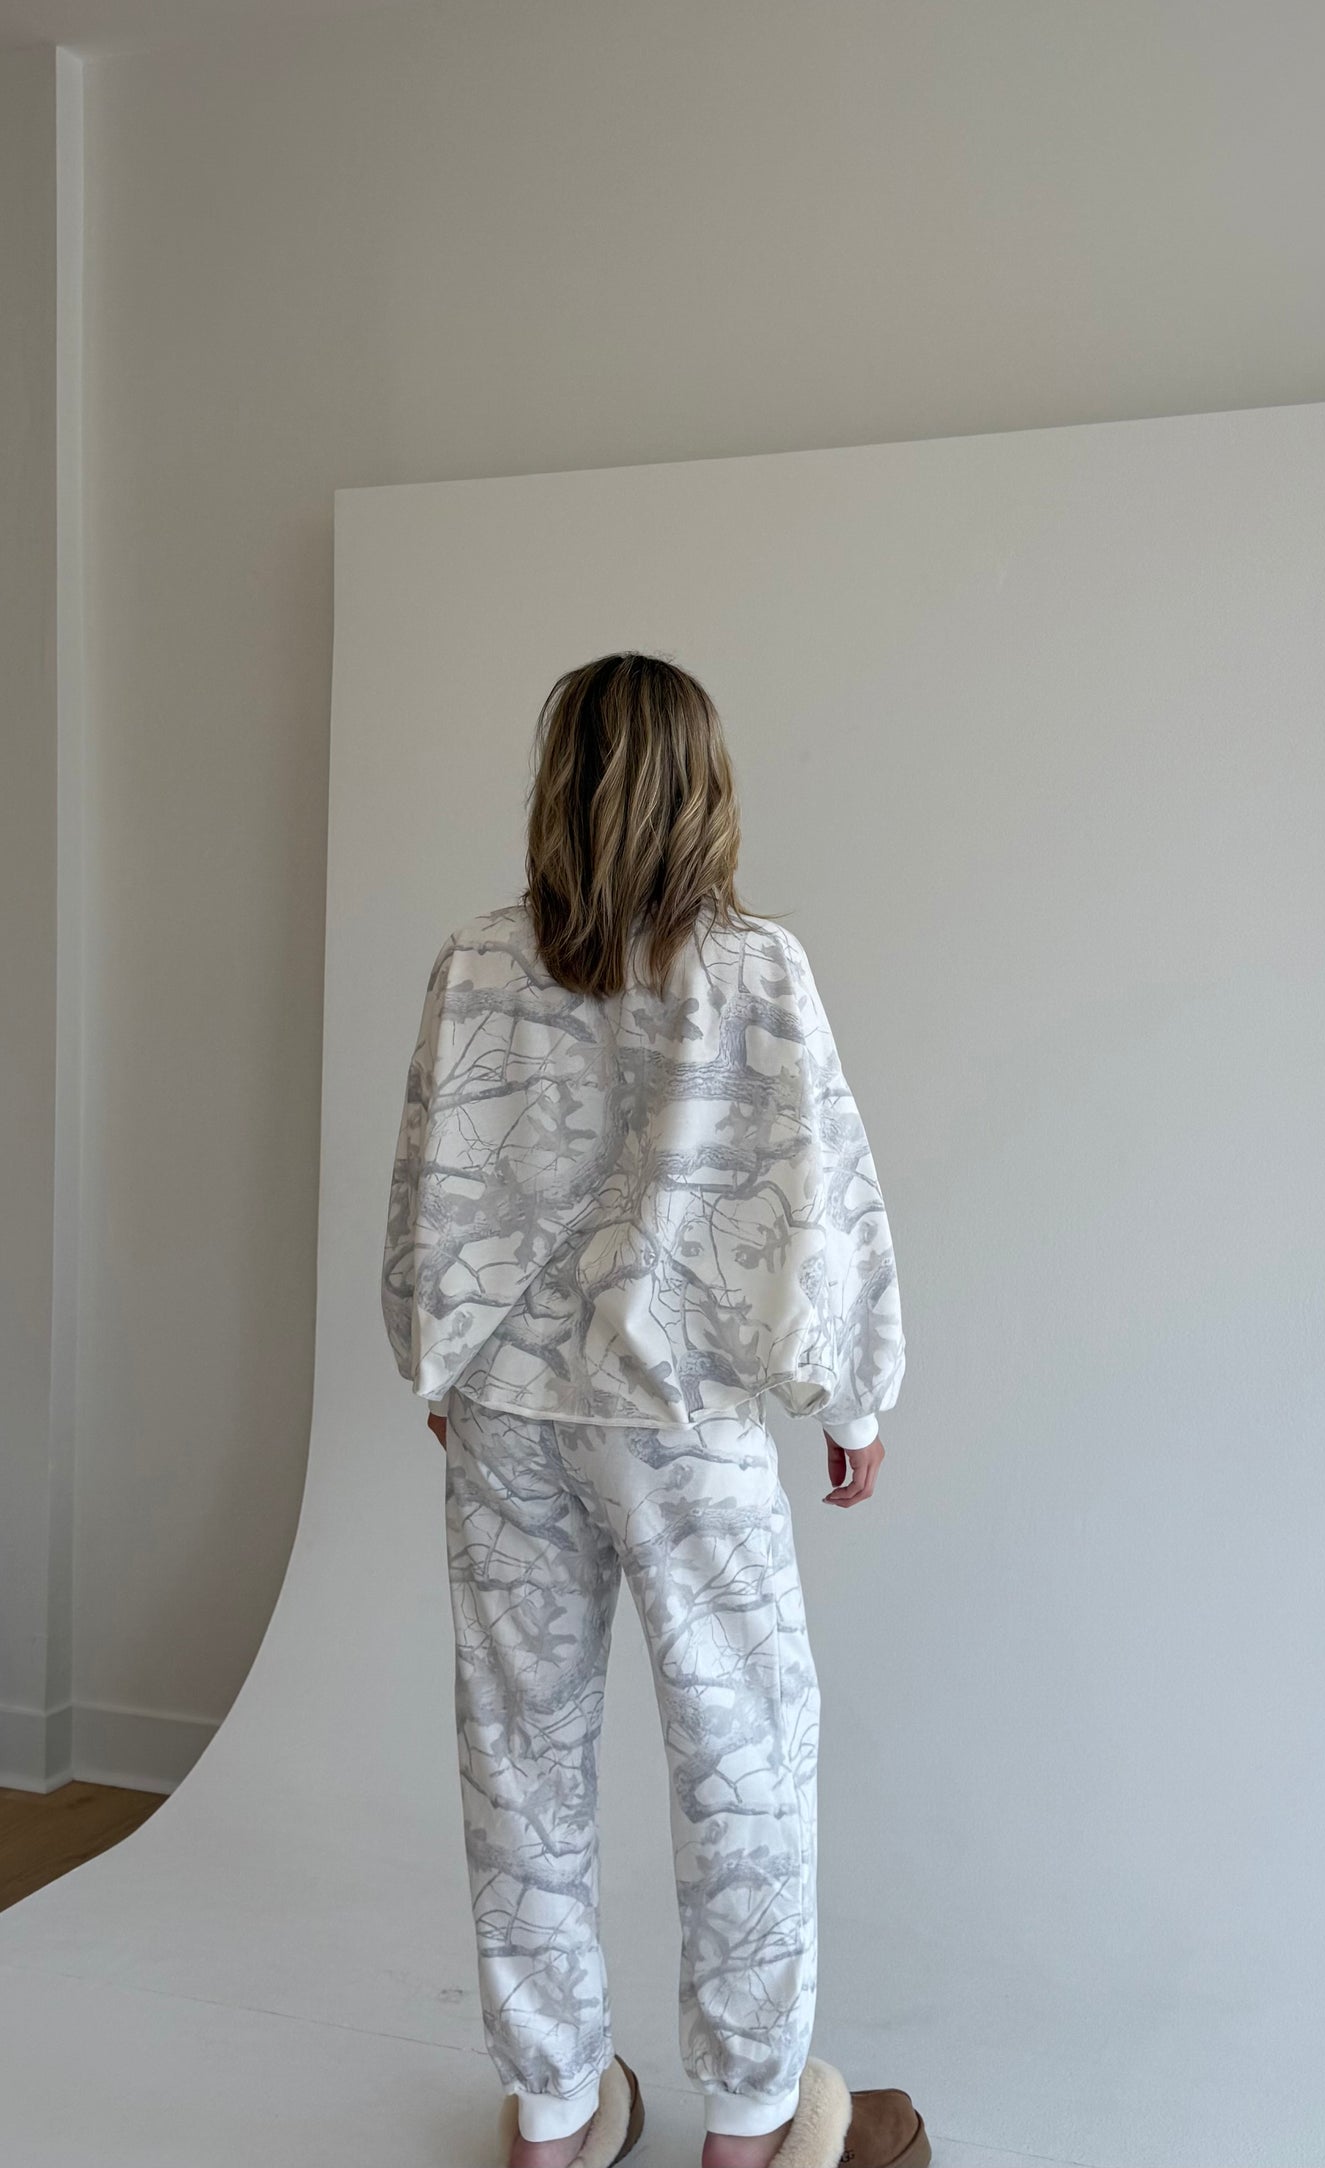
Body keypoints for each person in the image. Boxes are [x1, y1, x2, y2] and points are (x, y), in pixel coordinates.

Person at [381, 653, 928, 2168]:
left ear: (554, 784)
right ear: (705, 785)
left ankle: (554, 2118)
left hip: (505, 1414)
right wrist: (852, 1398)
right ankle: (752, 2129)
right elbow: (821, 1200)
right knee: (740, 1755)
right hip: (679, 1423)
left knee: (519, 1754)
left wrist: (437, 1353)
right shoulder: (753, 970)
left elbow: (432, 1172)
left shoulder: (475, 961)